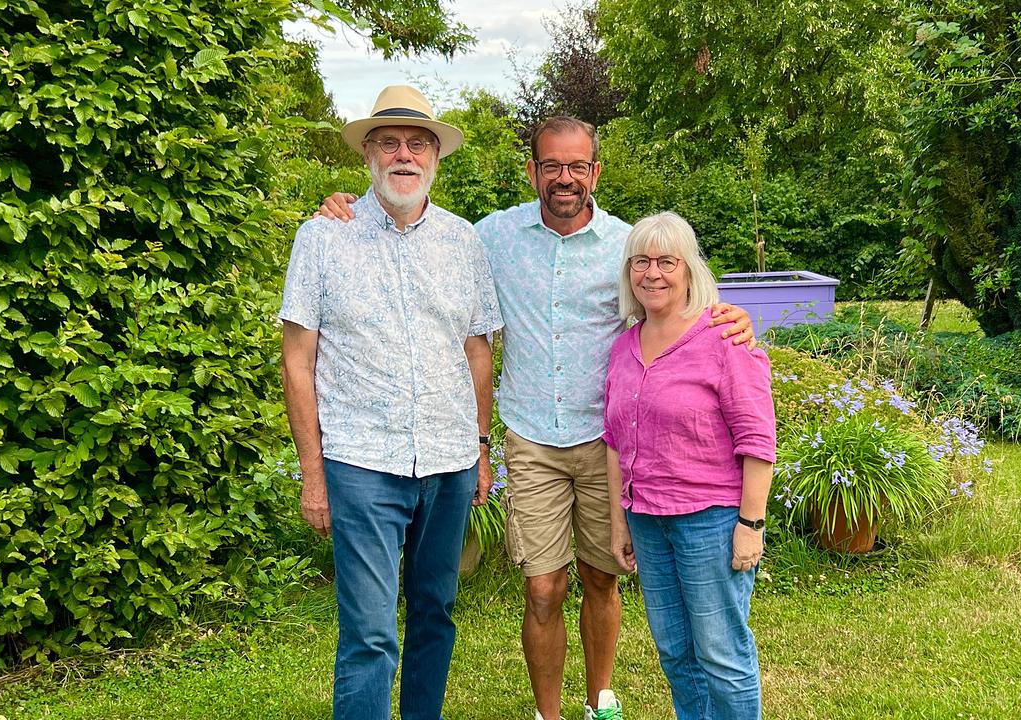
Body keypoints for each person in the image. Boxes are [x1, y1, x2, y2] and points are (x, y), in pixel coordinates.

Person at [317, 116, 754, 720]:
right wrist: (348, 205)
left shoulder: (626, 246)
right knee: (544, 587)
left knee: (602, 580)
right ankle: (549, 715)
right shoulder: (489, 237)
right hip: (532, 439)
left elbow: (673, 292)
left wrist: (731, 317)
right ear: (534, 171)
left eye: (577, 166)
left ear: (595, 172)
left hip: (605, 441)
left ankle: (599, 702)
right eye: (552, 166)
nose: (565, 177)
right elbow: (414, 226)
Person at [280, 85, 503, 720]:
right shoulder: (324, 237)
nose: (403, 154)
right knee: (371, 633)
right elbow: (298, 361)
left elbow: (477, 352)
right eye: (388, 142)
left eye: (417, 142)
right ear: (369, 155)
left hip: (449, 461)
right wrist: (313, 474)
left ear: (436, 155)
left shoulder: (463, 242)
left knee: (435, 612)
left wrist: (482, 450)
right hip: (361, 461)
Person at [603, 212, 775, 720]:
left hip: (711, 520)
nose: (652, 273)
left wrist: (750, 524)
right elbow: (614, 442)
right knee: (676, 652)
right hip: (648, 520)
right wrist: (620, 522)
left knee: (722, 656)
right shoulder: (623, 346)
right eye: (641, 262)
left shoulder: (724, 338)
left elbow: (758, 439)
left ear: (689, 271)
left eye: (666, 262)